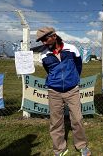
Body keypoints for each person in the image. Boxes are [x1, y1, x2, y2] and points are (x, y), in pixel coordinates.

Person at [36, 27, 91, 156]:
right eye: (41, 40)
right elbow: (48, 70)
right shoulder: (44, 54)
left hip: (72, 90)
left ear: (54, 36)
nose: (43, 43)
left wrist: (73, 79)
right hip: (54, 91)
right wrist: (56, 81)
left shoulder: (71, 49)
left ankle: (82, 146)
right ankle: (59, 149)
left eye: (45, 39)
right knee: (56, 122)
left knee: (77, 119)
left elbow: (78, 66)